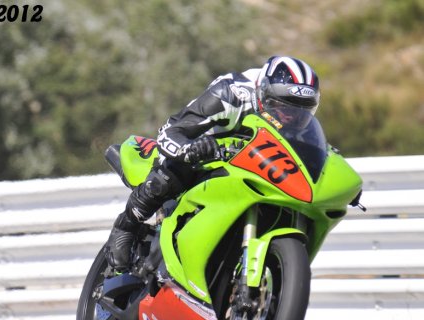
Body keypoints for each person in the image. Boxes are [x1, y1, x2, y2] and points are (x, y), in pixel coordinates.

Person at [106, 55, 321, 272]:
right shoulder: (230, 93)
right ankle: (125, 227)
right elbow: (170, 131)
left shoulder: (300, 127)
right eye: (281, 107)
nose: (290, 117)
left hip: (250, 165)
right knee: (169, 176)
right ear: (263, 92)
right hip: (203, 149)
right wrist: (189, 149)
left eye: (302, 111)